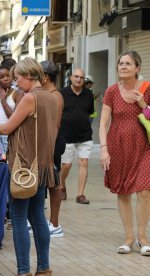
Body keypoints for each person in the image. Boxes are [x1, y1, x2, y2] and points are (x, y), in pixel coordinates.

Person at [0, 57, 57, 275]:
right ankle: (43, 268)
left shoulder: (30, 98)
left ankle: (23, 270)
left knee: (20, 218)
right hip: (42, 165)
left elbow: (6, 128)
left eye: (18, 77)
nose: (15, 82)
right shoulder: (50, 97)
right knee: (38, 217)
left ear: (29, 76)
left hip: (23, 165)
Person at [99, 50, 150, 256]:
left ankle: (143, 238)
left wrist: (143, 105)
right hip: (117, 147)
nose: (123, 66)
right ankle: (128, 239)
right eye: (121, 63)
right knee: (123, 192)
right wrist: (103, 150)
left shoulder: (147, 89)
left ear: (137, 68)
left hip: (143, 146)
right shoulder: (111, 91)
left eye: (128, 63)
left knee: (145, 191)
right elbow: (103, 124)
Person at [59, 68, 94, 204]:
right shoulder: (62, 93)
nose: (79, 79)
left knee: (83, 162)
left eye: (81, 77)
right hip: (66, 136)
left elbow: (90, 111)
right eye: (76, 76)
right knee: (66, 165)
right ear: (71, 78)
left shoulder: (88, 94)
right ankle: (62, 185)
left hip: (85, 135)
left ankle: (80, 195)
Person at [40, 61, 65, 238]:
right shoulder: (47, 94)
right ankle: (46, 222)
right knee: (47, 181)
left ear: (45, 77)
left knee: (54, 183)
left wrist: (49, 148)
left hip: (53, 143)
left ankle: (55, 224)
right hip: (48, 143)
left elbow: (55, 125)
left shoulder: (55, 96)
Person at [0, 65, 18, 154]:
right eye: (1, 77)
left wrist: (3, 101)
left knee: (10, 160)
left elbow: (14, 118)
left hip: (10, 134)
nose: (6, 79)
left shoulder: (17, 94)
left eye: (8, 75)